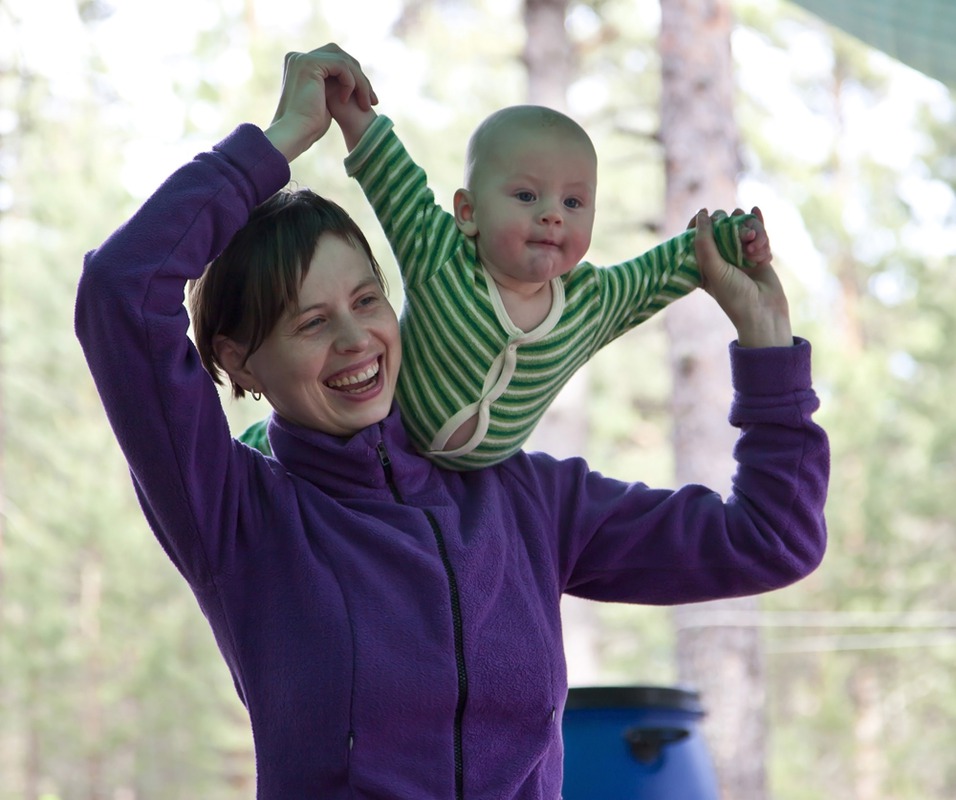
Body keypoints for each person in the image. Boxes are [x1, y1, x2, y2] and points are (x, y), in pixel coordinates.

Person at [75, 44, 828, 799]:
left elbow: (772, 540)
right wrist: (280, 142)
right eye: (311, 322)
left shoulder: (519, 497)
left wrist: (766, 345)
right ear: (240, 363)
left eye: (368, 300)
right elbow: (120, 290)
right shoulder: (234, 510)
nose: (355, 340)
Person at [239, 67, 773, 470]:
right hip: (371, 434)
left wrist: (730, 239)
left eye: (574, 203)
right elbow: (391, 176)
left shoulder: (592, 303)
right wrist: (348, 108)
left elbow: (667, 266)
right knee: (287, 447)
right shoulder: (440, 255)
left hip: (468, 483)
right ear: (467, 212)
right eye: (525, 194)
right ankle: (256, 448)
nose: (551, 215)